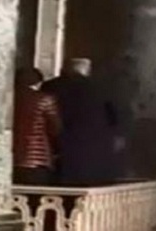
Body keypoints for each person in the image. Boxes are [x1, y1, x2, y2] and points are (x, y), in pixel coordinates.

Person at [42, 58, 123, 187]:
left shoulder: (51, 86)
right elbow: (114, 115)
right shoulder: (101, 88)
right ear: (87, 70)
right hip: (94, 146)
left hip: (61, 144)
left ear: (65, 69)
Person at [13, 68, 61, 185]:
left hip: (11, 158)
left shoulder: (9, 99)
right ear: (38, 82)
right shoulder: (44, 99)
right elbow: (55, 128)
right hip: (38, 158)